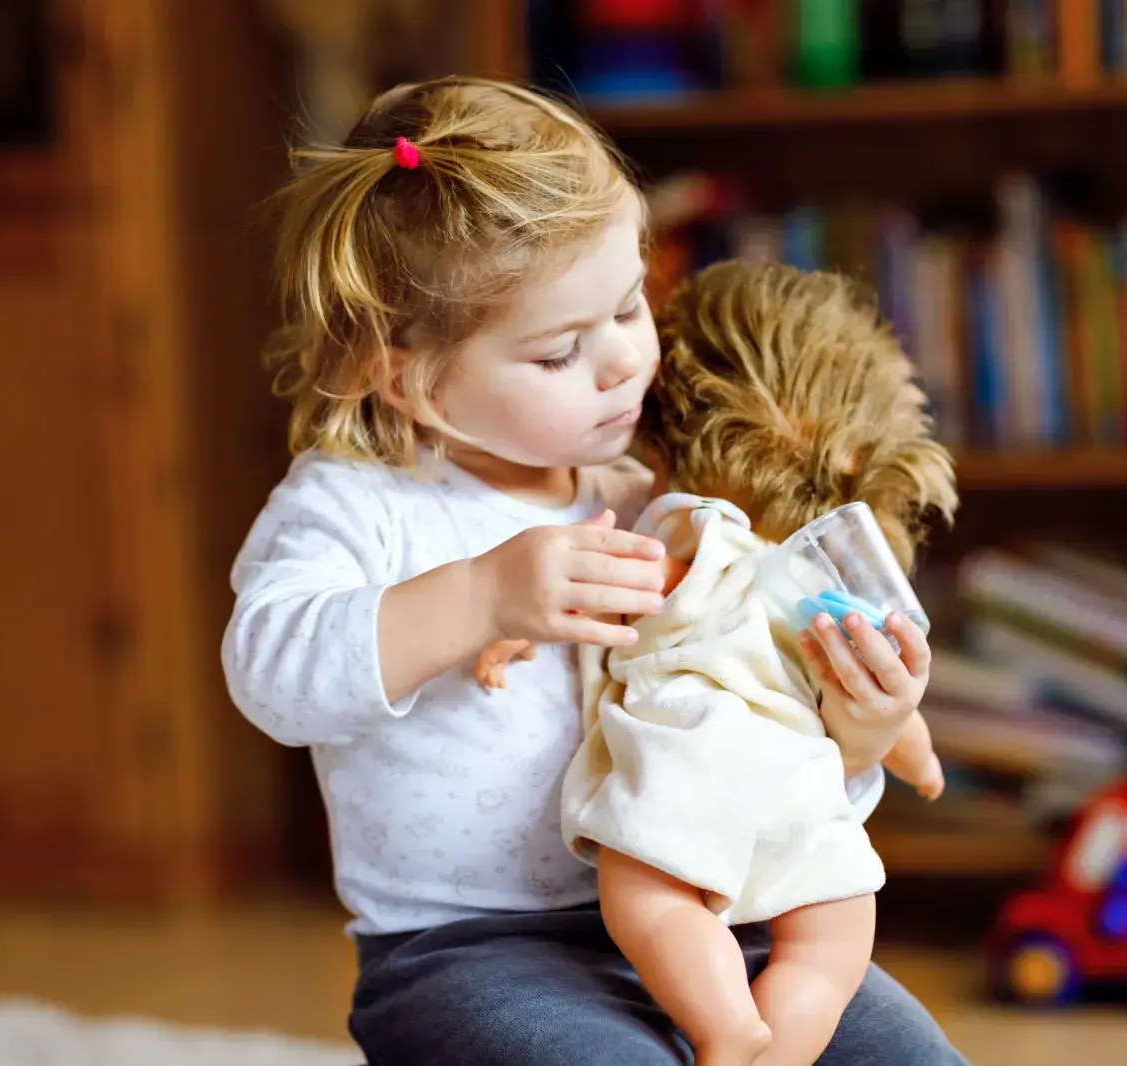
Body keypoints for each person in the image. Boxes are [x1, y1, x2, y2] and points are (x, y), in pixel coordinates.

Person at [221, 75, 970, 1066]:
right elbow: (271, 675)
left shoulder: (651, 497)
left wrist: (860, 729)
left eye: (627, 307)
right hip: (471, 950)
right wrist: (479, 595)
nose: (622, 362)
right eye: (558, 353)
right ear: (408, 377)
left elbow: (749, 714)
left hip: (713, 912)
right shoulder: (360, 504)